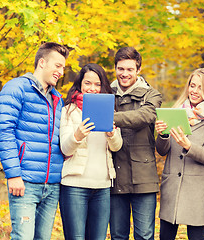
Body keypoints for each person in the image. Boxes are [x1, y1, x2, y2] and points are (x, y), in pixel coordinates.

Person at [0, 42, 69, 239]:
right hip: (25, 182)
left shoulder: (56, 99)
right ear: (42, 62)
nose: (61, 72)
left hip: (52, 185)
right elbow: (4, 131)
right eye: (57, 66)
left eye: (63, 67)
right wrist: (13, 175)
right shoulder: (16, 88)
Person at [59, 63, 122, 240]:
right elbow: (65, 148)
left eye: (97, 84)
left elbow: (117, 147)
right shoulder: (68, 111)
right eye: (88, 83)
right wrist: (77, 136)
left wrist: (112, 134)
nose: (92, 89)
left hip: (102, 187)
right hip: (74, 186)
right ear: (80, 84)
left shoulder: (110, 109)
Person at [155, 68, 204, 240]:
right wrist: (162, 135)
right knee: (165, 236)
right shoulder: (176, 112)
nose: (194, 91)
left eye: (200, 87)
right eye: (192, 86)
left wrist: (188, 146)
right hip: (172, 186)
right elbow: (162, 151)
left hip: (197, 189)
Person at [109, 47, 162, 240]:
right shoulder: (106, 93)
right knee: (117, 235)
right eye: (120, 68)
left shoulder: (152, 95)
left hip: (144, 178)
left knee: (145, 235)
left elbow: (144, 116)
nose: (124, 73)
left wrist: (108, 117)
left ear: (138, 70)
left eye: (130, 69)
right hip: (114, 176)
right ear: (115, 68)